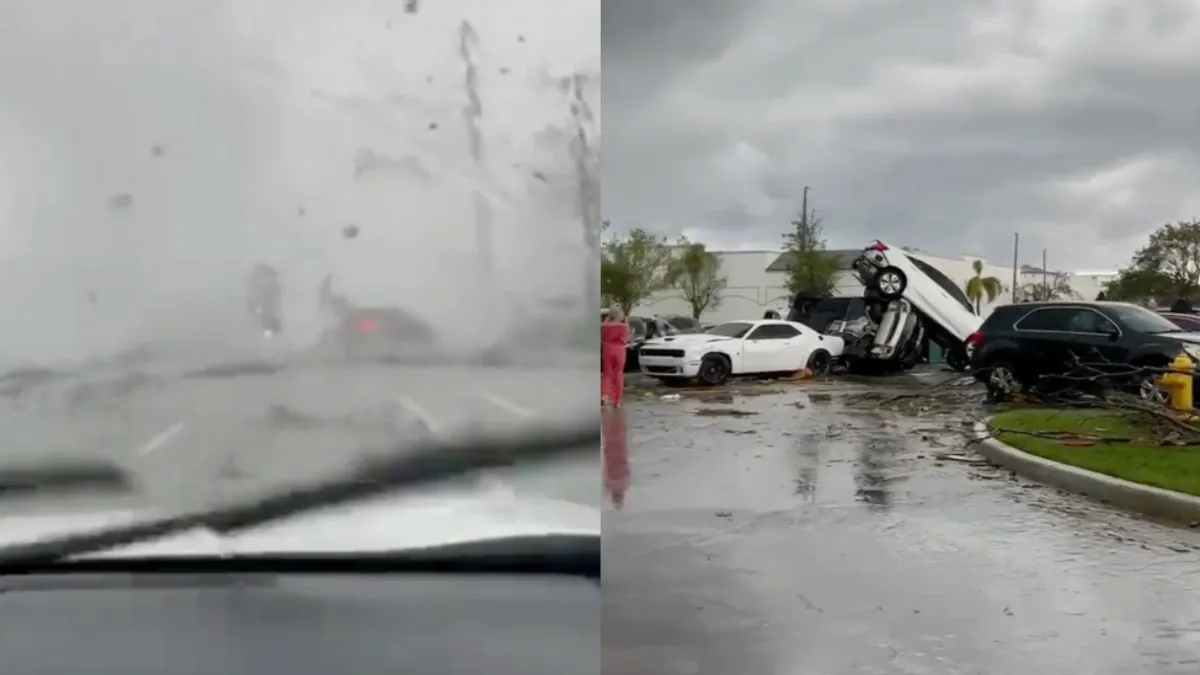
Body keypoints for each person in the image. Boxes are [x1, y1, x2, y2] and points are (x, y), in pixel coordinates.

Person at [601, 306, 629, 406]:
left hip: (607, 349)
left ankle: (604, 395)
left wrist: (607, 320)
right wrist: (626, 322)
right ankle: (617, 400)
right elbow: (626, 337)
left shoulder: (605, 326)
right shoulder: (623, 326)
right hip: (620, 350)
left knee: (607, 373)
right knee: (618, 374)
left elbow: (602, 337)